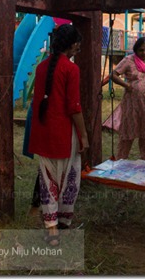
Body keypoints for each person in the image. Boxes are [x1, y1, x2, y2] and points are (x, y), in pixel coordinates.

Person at [27, 24, 89, 246]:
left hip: (43, 131)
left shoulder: (42, 67)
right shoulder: (71, 69)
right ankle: (63, 219)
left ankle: (52, 228)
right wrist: (84, 136)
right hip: (64, 133)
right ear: (72, 45)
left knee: (48, 180)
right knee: (69, 176)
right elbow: (74, 107)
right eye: (78, 46)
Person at [103, 37, 145, 160]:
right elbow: (113, 75)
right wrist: (126, 85)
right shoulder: (128, 61)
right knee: (127, 133)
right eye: (141, 50)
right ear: (135, 50)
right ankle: (120, 160)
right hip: (132, 104)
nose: (144, 53)